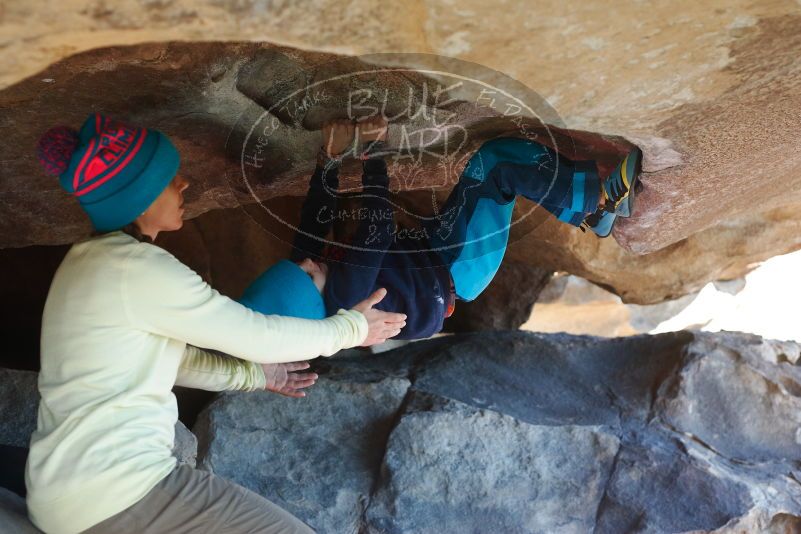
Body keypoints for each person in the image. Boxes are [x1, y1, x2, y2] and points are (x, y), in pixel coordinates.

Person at [28, 112, 407, 534]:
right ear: (139, 196)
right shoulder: (135, 268)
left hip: (68, 495)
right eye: (169, 177)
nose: (184, 184)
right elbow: (253, 334)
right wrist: (353, 328)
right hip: (117, 491)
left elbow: (176, 362)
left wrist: (252, 376)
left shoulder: (85, 265)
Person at [240, 116, 642, 340]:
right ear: (313, 307)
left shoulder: (310, 279)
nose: (308, 263)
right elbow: (375, 233)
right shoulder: (348, 294)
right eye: (307, 274)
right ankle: (599, 203)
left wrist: (326, 162)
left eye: (298, 265)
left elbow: (314, 220)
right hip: (457, 265)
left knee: (492, 171)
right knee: (497, 166)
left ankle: (593, 210)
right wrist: (372, 154)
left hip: (435, 252)